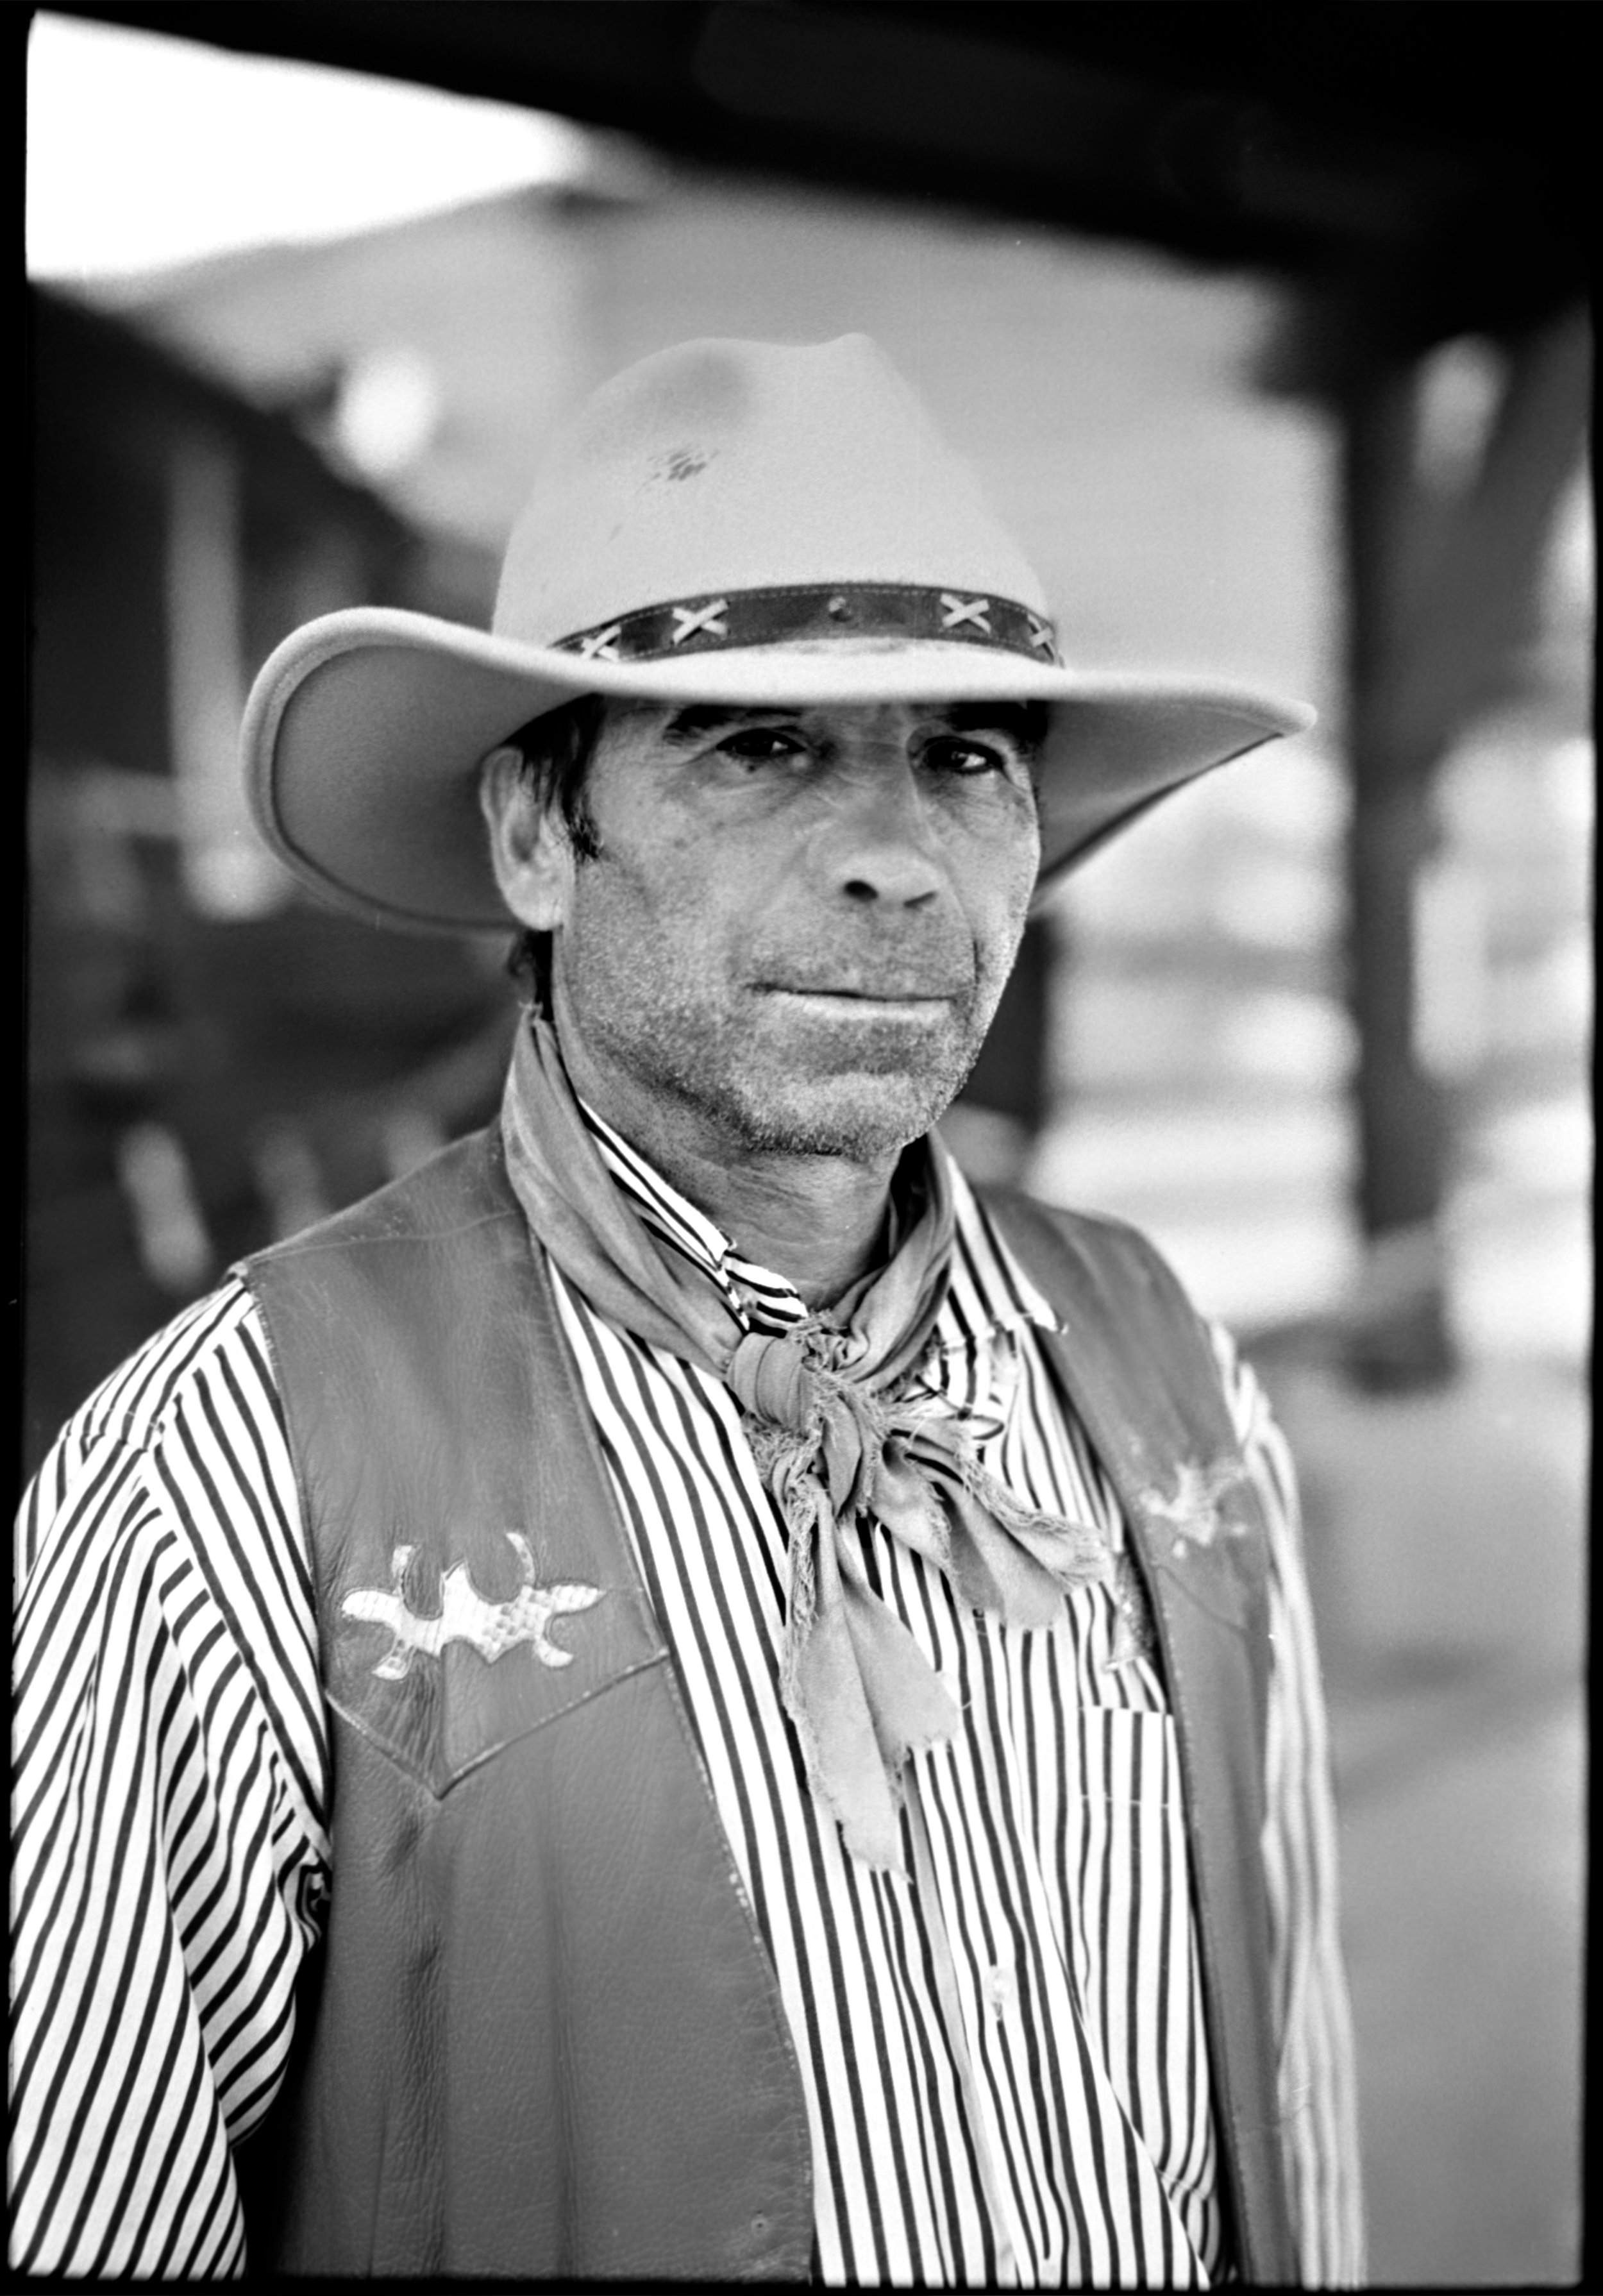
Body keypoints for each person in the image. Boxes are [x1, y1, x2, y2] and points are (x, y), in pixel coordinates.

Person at [12, 333, 1364, 2284]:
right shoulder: (232, 1462)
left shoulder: (1173, 1380)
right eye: (758, 746)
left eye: (966, 756)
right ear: (537, 836)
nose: (900, 856)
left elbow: (1289, 2116)